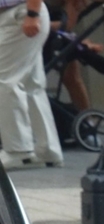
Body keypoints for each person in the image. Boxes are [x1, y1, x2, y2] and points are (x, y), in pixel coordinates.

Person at [0, 0, 59, 167]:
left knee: (4, 81)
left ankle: (19, 151)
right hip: (19, 15)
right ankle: (48, 151)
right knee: (31, 85)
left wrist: (32, 14)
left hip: (21, 13)